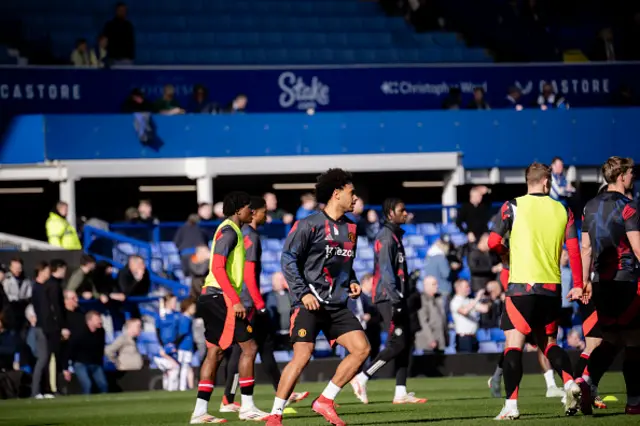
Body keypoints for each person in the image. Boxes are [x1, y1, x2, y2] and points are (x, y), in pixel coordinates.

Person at [264, 168, 370, 426]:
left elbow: (346, 264)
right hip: (308, 303)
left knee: (362, 349)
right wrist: (302, 293)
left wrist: (353, 281)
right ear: (336, 194)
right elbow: (288, 259)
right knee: (302, 355)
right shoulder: (309, 224)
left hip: (336, 304)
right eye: (351, 193)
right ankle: (275, 415)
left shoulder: (352, 229)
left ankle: (325, 400)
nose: (355, 198)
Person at [487, 162, 585, 419]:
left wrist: (505, 255)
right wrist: (578, 284)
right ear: (546, 182)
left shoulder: (513, 206)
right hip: (552, 289)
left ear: (529, 181)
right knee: (550, 343)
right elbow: (574, 249)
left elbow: (492, 241)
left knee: (513, 346)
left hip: (521, 288)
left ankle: (511, 406)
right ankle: (570, 383)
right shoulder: (563, 209)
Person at [219, 197, 309, 413]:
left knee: (264, 345)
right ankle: (229, 399)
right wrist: (257, 303)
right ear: (254, 212)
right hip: (248, 301)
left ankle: (282, 392)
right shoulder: (251, 237)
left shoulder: (244, 235)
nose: (265, 216)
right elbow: (248, 274)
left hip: (246, 299)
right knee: (244, 349)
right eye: (262, 212)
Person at [189, 191, 268, 423]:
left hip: (211, 296)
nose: (251, 211)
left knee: (215, 352)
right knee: (249, 348)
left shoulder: (231, 230)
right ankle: (248, 407)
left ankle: (200, 412)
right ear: (237, 210)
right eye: (247, 207)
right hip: (220, 298)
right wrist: (234, 300)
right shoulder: (229, 231)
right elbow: (218, 267)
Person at [578, 156, 640, 416]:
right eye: (631, 173)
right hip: (626, 281)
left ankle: (588, 382)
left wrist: (584, 281)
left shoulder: (589, 207)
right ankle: (634, 402)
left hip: (600, 283)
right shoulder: (629, 207)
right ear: (622, 176)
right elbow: (637, 248)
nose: (633, 177)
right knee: (635, 341)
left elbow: (586, 248)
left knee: (612, 338)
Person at [350, 198, 426, 405]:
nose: (405, 213)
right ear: (390, 213)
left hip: (397, 296)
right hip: (388, 297)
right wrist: (396, 300)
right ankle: (362, 377)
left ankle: (400, 392)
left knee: (405, 341)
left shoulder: (394, 236)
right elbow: (386, 271)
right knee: (397, 342)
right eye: (402, 210)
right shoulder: (385, 237)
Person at [487, 232, 569, 400]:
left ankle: (551, 385)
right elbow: (501, 260)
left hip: (533, 293)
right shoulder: (510, 258)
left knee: (542, 342)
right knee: (515, 344)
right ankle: (497, 378)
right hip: (518, 297)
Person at [68, 311, 108, 395]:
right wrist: (67, 367)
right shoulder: (79, 333)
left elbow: (101, 348)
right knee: (87, 385)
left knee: (103, 385)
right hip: (81, 363)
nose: (100, 321)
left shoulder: (101, 332)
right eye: (97, 319)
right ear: (89, 321)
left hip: (95, 363)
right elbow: (70, 348)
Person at [154, 293, 180, 391]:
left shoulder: (176, 315)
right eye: (173, 301)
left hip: (173, 346)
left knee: (171, 369)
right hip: (164, 347)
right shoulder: (160, 315)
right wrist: (161, 345)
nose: (175, 304)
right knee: (174, 367)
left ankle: (169, 389)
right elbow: (157, 331)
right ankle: (170, 389)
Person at [177, 298, 196, 392]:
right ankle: (182, 387)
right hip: (184, 346)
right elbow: (183, 333)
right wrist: (176, 343)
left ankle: (188, 386)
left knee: (187, 367)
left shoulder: (187, 318)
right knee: (184, 366)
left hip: (186, 346)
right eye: (192, 307)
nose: (194, 309)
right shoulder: (185, 319)